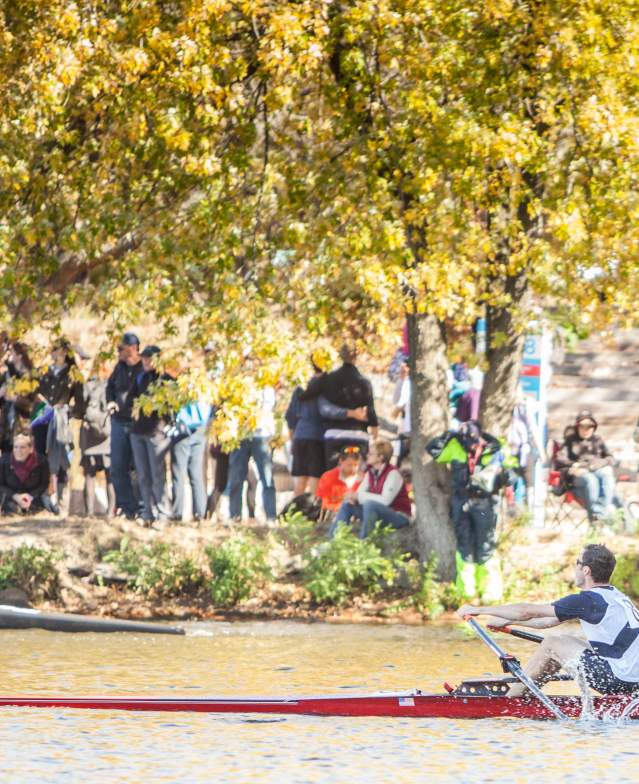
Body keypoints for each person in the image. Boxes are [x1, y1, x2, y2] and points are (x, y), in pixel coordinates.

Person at [459, 544, 639, 697]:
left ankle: (512, 698)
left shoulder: (587, 600)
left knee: (552, 643)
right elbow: (547, 621)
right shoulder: (616, 597)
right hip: (632, 681)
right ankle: (527, 693)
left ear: (586, 570)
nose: (574, 567)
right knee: (564, 641)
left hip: (619, 680)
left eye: (577, 563)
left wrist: (478, 610)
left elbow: (527, 611)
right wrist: (506, 622)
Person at [427, 421, 510, 601]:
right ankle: (467, 591)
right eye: (466, 440)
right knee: (465, 544)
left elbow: (507, 471)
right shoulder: (456, 447)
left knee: (486, 543)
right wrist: (448, 435)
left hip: (485, 502)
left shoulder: (493, 450)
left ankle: (490, 591)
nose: (471, 444)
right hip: (462, 500)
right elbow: (432, 450)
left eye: (473, 440)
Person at [285, 361, 366, 496]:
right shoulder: (324, 387)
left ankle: (294, 512)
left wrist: (292, 439)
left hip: (300, 436)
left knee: (300, 479)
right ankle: (314, 513)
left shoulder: (300, 387)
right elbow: (326, 410)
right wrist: (350, 413)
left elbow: (290, 416)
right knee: (315, 479)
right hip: (316, 436)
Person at [299, 343, 378, 468]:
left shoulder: (328, 379)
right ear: (356, 357)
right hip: (358, 434)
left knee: (334, 475)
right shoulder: (364, 382)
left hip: (334, 434)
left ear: (340, 356)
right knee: (358, 477)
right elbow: (371, 411)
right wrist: (374, 432)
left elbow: (305, 395)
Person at [36, 338, 84, 513]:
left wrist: (67, 411)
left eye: (61, 351)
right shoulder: (44, 372)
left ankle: (63, 500)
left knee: (63, 457)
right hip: (43, 418)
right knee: (41, 456)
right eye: (55, 350)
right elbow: (34, 390)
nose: (58, 354)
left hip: (62, 420)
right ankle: (43, 498)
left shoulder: (72, 374)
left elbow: (80, 402)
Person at [330, 439, 411, 539]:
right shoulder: (370, 473)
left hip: (398, 516)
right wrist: (353, 498)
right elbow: (360, 493)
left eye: (371, 454)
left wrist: (358, 496)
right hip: (379, 512)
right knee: (347, 504)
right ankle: (332, 541)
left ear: (381, 457)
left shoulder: (393, 474)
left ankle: (364, 544)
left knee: (370, 505)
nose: (367, 455)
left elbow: (385, 501)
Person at [126, 345, 171, 525]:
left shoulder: (166, 380)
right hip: (138, 431)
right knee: (142, 474)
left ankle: (163, 513)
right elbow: (130, 400)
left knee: (157, 474)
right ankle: (147, 512)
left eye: (149, 358)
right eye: (144, 357)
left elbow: (170, 407)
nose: (145, 361)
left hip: (155, 433)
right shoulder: (140, 378)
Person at [554, 410, 615, 523]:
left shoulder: (598, 440)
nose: (586, 429)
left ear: (594, 427)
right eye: (582, 426)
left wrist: (598, 464)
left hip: (596, 469)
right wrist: (573, 466)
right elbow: (559, 459)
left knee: (608, 474)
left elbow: (610, 458)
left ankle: (600, 514)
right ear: (577, 427)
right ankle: (597, 517)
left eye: (590, 426)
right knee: (590, 480)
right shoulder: (570, 441)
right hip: (579, 475)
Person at [227, 385, 277, 522]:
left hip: (261, 434)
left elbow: (266, 409)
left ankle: (271, 517)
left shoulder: (267, 386)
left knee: (267, 478)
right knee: (236, 478)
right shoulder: (235, 384)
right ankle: (234, 516)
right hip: (240, 435)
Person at [106, 332, 143, 518]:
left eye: (121, 348)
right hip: (119, 422)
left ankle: (143, 507)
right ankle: (128, 508)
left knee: (140, 467)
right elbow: (110, 387)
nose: (118, 352)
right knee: (117, 468)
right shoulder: (118, 368)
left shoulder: (143, 368)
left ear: (133, 348)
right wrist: (110, 401)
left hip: (137, 424)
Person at [79, 355, 115, 517]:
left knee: (90, 475)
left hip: (89, 431)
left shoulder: (85, 385)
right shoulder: (110, 384)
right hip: (107, 431)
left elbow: (79, 409)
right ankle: (110, 512)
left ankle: (89, 512)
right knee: (110, 474)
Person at [170, 398, 212, 522]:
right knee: (196, 473)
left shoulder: (181, 384)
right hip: (201, 428)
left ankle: (177, 512)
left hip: (184, 428)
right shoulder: (203, 384)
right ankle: (200, 513)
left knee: (179, 473)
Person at [0, 432, 55, 514]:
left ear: (30, 449)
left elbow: (44, 484)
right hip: (11, 500)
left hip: (35, 499)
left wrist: (30, 496)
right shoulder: (4, 461)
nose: (18, 450)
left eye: (22, 447)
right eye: (16, 447)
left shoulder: (41, 461)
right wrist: (16, 496)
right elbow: (1, 485)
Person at [316, 445, 363, 514]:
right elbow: (322, 503)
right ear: (341, 461)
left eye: (356, 465)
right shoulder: (328, 477)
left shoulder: (363, 479)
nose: (352, 469)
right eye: (349, 465)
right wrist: (343, 507)